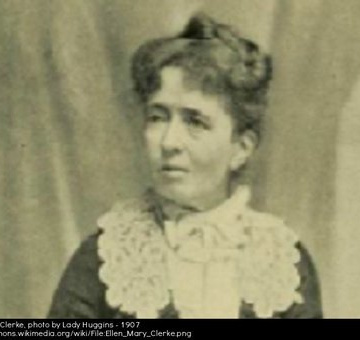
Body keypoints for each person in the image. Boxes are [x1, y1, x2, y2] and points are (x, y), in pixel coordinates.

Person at [48, 13, 322, 319]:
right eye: (157, 117)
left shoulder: (282, 263)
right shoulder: (107, 256)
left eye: (195, 121)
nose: (169, 141)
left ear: (241, 148)